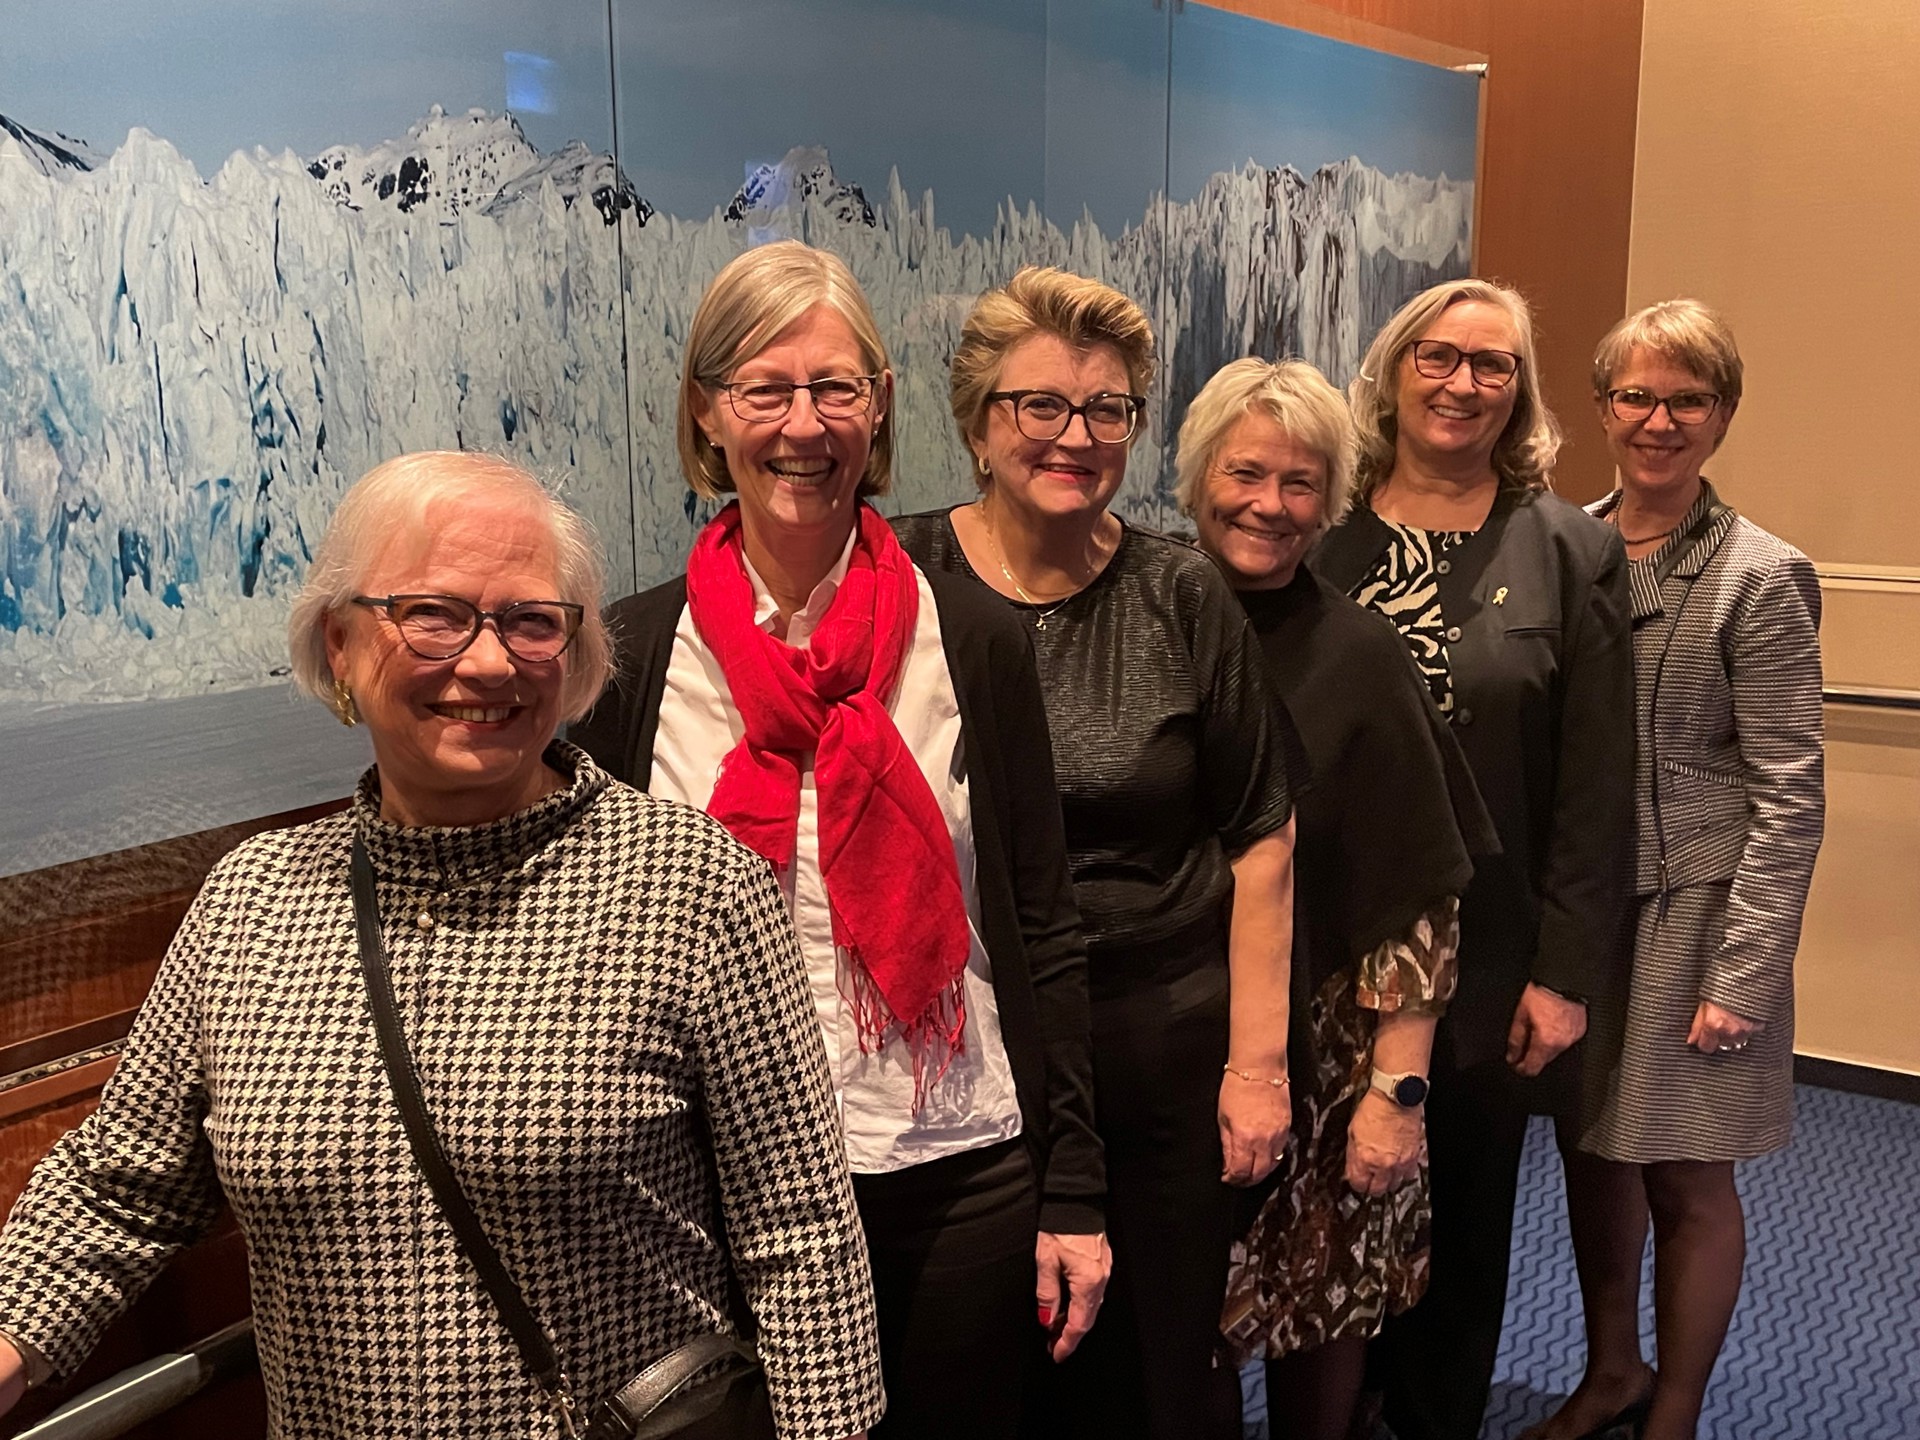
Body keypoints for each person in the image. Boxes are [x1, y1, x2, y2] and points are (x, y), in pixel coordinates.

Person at [0, 451, 883, 1439]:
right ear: (339, 643)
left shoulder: (693, 887)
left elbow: (799, 1236)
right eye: (433, 614)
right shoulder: (251, 900)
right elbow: (121, 1188)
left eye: (531, 621)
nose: (491, 662)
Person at [568, 241, 1107, 1440]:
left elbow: (1041, 919)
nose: (804, 426)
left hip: (946, 1162)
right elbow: (597, 947)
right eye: (766, 389)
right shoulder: (633, 659)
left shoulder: (970, 636)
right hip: (710, 1183)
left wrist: (1075, 1187)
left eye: (835, 388)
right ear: (707, 412)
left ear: (880, 406)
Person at [893, 266, 1297, 1440]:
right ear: (978, 424)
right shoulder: (900, 584)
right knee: (983, 1367)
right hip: (962, 1046)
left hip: (1157, 1040)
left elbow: (1262, 837)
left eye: (1107, 409)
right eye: (1041, 405)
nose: (1076, 436)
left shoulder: (1182, 593)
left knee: (1157, 1369)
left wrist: (1257, 1069)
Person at [1311, 277, 1635, 1440]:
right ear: (1394, 372)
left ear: (1520, 391)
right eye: (1438, 357)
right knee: (1325, 1204)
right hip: (1324, 942)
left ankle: (1434, 1417)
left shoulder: (1573, 550)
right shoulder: (1319, 533)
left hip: (1489, 952)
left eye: (1492, 363)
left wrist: (1565, 972)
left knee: (1461, 1208)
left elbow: (1599, 785)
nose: (1462, 383)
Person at [1179, 358, 1498, 1440]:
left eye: (1301, 482)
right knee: (1187, 1320)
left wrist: (1396, 1096)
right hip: (1175, 1039)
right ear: (1196, 477)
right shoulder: (1147, 623)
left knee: (1325, 1311)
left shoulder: (1361, 654)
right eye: (1245, 473)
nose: (1270, 504)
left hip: (1331, 1058)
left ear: (1331, 501)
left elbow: (1420, 901)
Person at [1522, 301, 1824, 1440]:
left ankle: (1677, 1411)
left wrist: (1745, 976)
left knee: (1686, 1175)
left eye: (1687, 400)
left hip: (1700, 917)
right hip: (1581, 913)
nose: (1660, 421)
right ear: (1601, 409)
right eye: (1637, 397)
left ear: (1723, 414)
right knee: (1592, 1156)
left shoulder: (1761, 576)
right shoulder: (1561, 545)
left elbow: (1790, 793)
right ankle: (1613, 1372)